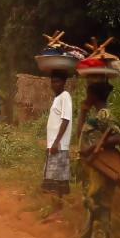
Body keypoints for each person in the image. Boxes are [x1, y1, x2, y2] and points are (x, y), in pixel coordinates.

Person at [75, 81, 120, 238]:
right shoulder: (95, 115)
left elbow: (118, 136)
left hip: (101, 169)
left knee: (99, 207)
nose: (87, 97)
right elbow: (80, 134)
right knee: (92, 205)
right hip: (92, 169)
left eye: (89, 93)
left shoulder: (105, 114)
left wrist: (93, 147)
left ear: (95, 95)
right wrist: (83, 112)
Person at [41, 70, 72, 222]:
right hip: (53, 145)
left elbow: (65, 120)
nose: (54, 84)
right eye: (52, 81)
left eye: (57, 81)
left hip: (58, 146)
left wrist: (56, 142)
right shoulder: (57, 98)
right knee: (54, 180)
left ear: (64, 82)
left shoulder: (65, 96)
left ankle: (57, 212)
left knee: (55, 181)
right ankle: (56, 211)